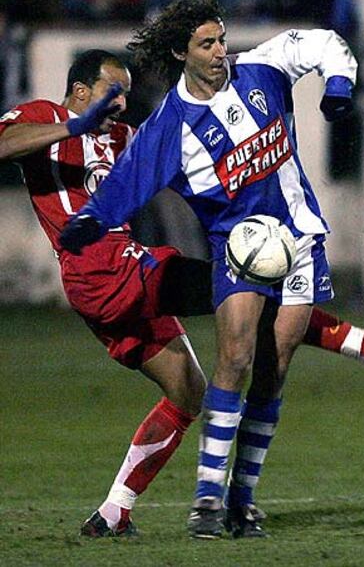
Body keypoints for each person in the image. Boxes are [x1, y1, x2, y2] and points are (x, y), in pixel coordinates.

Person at [59, 0, 364, 539]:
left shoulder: (260, 69)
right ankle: (206, 498)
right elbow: (130, 178)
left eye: (222, 39)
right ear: (182, 52)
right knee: (235, 355)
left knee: (275, 368)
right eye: (207, 44)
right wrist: (92, 219)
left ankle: (241, 502)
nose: (221, 51)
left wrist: (338, 85)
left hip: (297, 238)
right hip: (237, 249)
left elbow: (322, 43)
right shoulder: (170, 126)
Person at [0, 49, 209, 538]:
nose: (120, 105)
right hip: (96, 268)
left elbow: (177, 169)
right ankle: (362, 345)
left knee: (188, 389)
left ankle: (114, 513)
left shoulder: (122, 138)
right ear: (79, 92)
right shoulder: (43, 118)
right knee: (236, 286)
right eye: (112, 94)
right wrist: (74, 127)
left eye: (126, 96)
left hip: (122, 274)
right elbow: (5, 144)